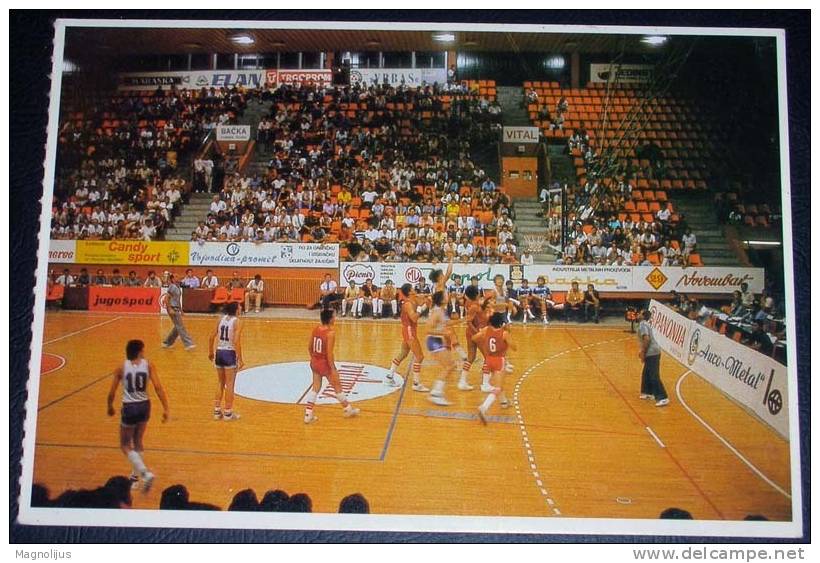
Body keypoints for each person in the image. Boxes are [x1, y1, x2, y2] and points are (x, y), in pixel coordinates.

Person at [106, 339, 170, 492]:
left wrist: (110, 406)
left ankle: (144, 473)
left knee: (125, 445)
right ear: (139, 351)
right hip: (144, 405)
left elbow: (112, 392)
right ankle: (135, 479)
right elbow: (158, 387)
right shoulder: (148, 365)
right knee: (138, 441)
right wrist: (166, 408)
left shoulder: (121, 368)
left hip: (129, 406)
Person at [304, 308, 361, 423]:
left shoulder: (316, 329)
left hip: (315, 362)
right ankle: (348, 409)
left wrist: (314, 358)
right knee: (337, 386)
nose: (335, 318)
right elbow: (329, 354)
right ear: (330, 319)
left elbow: (309, 347)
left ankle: (308, 414)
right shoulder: (330, 333)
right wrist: (333, 369)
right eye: (334, 316)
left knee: (315, 388)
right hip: (325, 364)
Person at [473, 312, 517, 424]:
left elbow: (474, 338)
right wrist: (508, 334)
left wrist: (485, 341)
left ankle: (504, 402)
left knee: (500, 383)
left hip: (488, 360)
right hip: (499, 360)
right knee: (498, 387)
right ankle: (483, 408)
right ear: (502, 323)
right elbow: (514, 347)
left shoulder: (486, 329)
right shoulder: (504, 333)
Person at [385, 283, 428, 392]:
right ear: (409, 291)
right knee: (420, 356)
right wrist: (421, 308)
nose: (415, 289)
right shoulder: (408, 304)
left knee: (403, 354)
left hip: (408, 330)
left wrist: (426, 301)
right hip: (409, 330)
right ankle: (416, 383)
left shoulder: (412, 300)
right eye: (413, 288)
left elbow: (422, 301)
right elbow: (414, 318)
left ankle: (390, 376)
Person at [208, 302, 244, 421]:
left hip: (219, 352)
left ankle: (217, 411)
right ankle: (228, 412)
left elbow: (211, 336)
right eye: (239, 307)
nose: (241, 308)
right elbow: (236, 341)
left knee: (220, 382)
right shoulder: (237, 321)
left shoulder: (220, 319)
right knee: (229, 384)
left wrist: (210, 352)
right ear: (236, 310)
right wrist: (240, 358)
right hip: (229, 353)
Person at [426, 290, 456, 406]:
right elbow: (428, 329)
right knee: (448, 367)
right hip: (434, 341)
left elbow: (447, 324)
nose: (448, 296)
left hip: (438, 341)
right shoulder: (437, 312)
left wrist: (464, 320)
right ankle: (435, 394)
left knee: (451, 366)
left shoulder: (442, 311)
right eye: (446, 295)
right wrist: (444, 334)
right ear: (442, 299)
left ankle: (436, 392)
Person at [638, 309, 669, 407]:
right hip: (652, 352)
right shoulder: (645, 324)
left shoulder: (643, 324)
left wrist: (643, 351)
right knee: (646, 372)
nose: (637, 314)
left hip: (652, 353)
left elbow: (646, 339)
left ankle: (663, 397)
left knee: (653, 375)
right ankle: (647, 392)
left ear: (643, 316)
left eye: (639, 313)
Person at [160, 273, 196, 350]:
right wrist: (169, 309)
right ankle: (188, 344)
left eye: (178, 276)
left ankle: (167, 343)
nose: (178, 277)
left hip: (176, 308)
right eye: (176, 276)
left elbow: (178, 300)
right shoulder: (172, 287)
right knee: (180, 326)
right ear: (172, 279)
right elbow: (166, 299)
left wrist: (181, 310)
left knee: (177, 327)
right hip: (172, 308)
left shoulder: (177, 287)